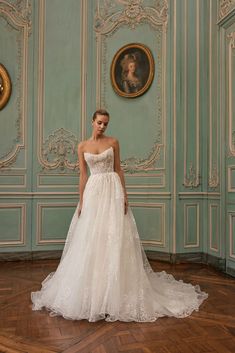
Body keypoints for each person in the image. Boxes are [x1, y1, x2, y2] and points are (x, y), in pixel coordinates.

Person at [31, 109, 208, 322]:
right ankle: (95, 294)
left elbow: (118, 169)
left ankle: (114, 293)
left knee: (113, 236)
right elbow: (83, 175)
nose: (102, 126)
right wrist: (81, 201)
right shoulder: (82, 146)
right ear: (92, 122)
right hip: (94, 191)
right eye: (99, 122)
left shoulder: (113, 142)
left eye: (105, 123)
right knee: (92, 238)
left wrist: (124, 194)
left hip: (111, 190)